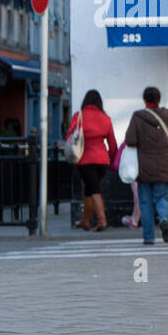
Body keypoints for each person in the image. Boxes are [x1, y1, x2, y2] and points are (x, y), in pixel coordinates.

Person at [123, 86, 168, 245]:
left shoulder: (138, 117)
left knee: (145, 202)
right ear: (159, 99)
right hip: (165, 165)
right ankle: (164, 219)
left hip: (144, 167)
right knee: (162, 197)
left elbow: (130, 140)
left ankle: (149, 237)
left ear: (145, 100)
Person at [66, 90, 118, 231]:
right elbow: (112, 143)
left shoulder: (79, 116)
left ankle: (102, 221)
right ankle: (85, 221)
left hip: (85, 160)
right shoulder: (105, 118)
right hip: (102, 160)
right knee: (89, 190)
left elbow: (70, 135)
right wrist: (113, 161)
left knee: (94, 189)